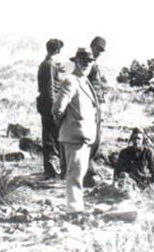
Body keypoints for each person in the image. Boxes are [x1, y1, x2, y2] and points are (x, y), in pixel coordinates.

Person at [52, 48, 100, 214]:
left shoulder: (84, 81)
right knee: (74, 175)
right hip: (75, 136)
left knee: (79, 174)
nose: (86, 65)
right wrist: (68, 126)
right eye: (83, 61)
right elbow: (57, 109)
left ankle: (77, 207)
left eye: (89, 62)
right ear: (76, 62)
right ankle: (73, 210)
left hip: (85, 137)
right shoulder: (71, 81)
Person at [36, 38, 64, 179]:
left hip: (45, 104)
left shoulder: (46, 64)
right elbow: (50, 88)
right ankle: (51, 171)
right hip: (49, 105)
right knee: (52, 138)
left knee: (49, 137)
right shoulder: (50, 65)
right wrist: (55, 108)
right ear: (58, 50)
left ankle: (50, 170)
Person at [83, 36, 108, 188]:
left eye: (101, 51)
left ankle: (88, 170)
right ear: (92, 46)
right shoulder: (87, 64)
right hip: (90, 106)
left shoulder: (94, 64)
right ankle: (86, 172)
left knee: (95, 139)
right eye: (97, 49)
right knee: (91, 139)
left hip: (96, 105)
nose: (99, 53)